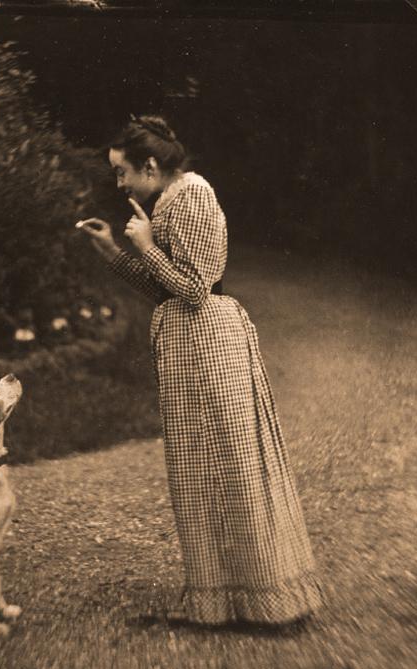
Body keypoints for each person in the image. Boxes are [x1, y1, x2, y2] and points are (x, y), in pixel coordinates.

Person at [77, 114, 322, 627]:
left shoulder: (191, 195)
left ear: (150, 165)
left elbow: (193, 288)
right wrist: (113, 251)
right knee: (202, 470)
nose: (119, 184)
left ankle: (268, 598)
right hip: (190, 345)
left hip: (209, 343)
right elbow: (164, 291)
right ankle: (225, 602)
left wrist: (146, 245)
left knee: (229, 465)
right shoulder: (170, 200)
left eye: (122, 172)